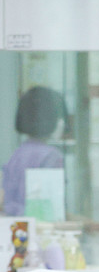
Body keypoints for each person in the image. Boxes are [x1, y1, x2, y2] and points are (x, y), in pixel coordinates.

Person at [2, 87, 66, 217]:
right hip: (37, 226)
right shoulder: (52, 156)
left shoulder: (18, 153)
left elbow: (8, 201)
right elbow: (51, 210)